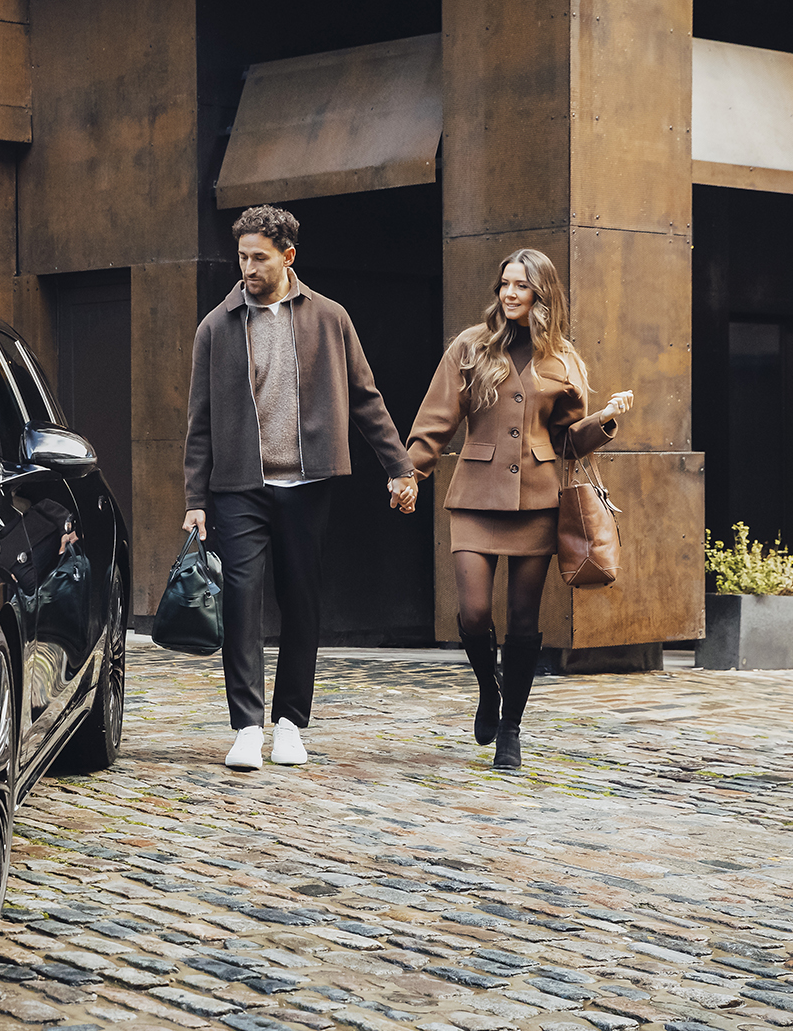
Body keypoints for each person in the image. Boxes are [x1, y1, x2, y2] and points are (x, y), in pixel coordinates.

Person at [183, 205, 418, 771]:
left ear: (288, 256)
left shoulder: (329, 318)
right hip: (238, 487)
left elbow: (365, 397)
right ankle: (246, 726)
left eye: (259, 258)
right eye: (242, 257)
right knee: (241, 599)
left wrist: (399, 466)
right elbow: (200, 421)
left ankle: (290, 723)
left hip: (307, 484)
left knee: (301, 600)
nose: (248, 268)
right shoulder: (216, 327)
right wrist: (194, 500)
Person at [405, 249, 632, 769]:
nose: (509, 293)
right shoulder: (471, 346)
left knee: (524, 619)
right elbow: (437, 418)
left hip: (538, 500)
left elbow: (567, 441)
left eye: (521, 286)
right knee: (474, 612)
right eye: (505, 283)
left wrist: (603, 420)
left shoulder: (564, 360)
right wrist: (410, 473)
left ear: (541, 295)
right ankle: (490, 687)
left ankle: (512, 727)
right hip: (475, 497)